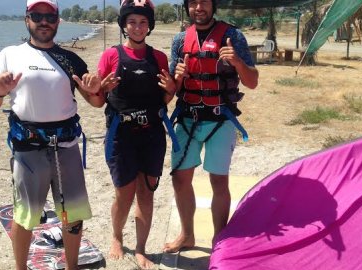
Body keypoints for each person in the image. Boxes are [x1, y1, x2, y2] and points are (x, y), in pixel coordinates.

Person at [0, 1, 101, 269]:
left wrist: (96, 90)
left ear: (58, 21)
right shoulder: (9, 55)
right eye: (37, 16)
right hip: (28, 150)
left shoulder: (70, 60)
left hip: (67, 148)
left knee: (73, 216)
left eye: (49, 16)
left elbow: (96, 102)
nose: (43, 21)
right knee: (26, 216)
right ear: (27, 19)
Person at [163, 0, 259, 253]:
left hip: (221, 119)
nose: (199, 7)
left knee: (219, 181)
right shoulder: (179, 40)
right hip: (187, 119)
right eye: (193, 2)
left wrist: (238, 62)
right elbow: (174, 89)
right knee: (180, 180)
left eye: (204, 1)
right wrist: (179, 78)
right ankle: (187, 235)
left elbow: (252, 82)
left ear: (213, 6)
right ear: (187, 7)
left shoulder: (233, 36)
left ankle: (219, 239)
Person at [92, 0, 176, 268]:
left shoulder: (159, 58)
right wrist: (100, 88)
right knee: (124, 192)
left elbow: (165, 98)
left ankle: (141, 248)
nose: (137, 27)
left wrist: (173, 87)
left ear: (149, 25)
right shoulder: (111, 55)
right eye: (132, 22)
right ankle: (116, 236)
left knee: (146, 193)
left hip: (152, 134)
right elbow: (98, 97)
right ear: (124, 25)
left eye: (142, 22)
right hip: (121, 134)